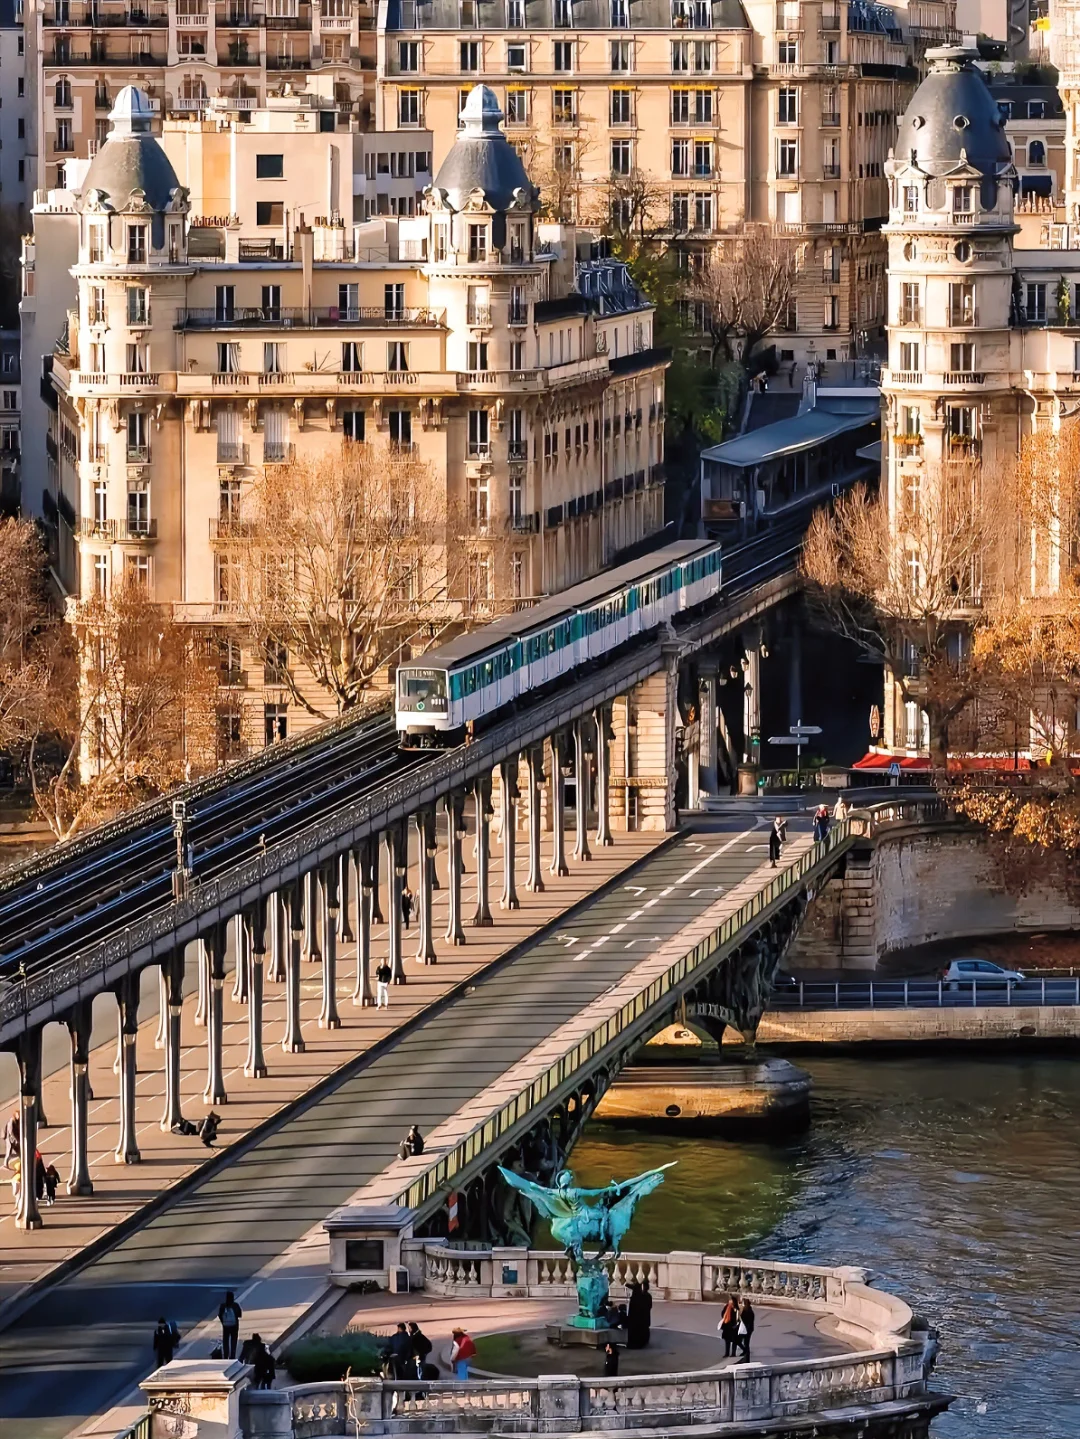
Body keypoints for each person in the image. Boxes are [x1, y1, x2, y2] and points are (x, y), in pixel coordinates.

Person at [218, 1291, 242, 1360]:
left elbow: (220, 1315)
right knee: (233, 1341)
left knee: (226, 1341)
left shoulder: (223, 1306)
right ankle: (232, 1356)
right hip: (234, 1326)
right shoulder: (235, 1305)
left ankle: (226, 1355)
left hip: (226, 1326)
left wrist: (223, 1322)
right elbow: (240, 1315)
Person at [625, 1281, 649, 1349]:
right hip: (640, 1320)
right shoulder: (642, 1296)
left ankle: (633, 1344)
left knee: (633, 1331)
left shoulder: (634, 1298)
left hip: (633, 1320)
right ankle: (640, 1343)